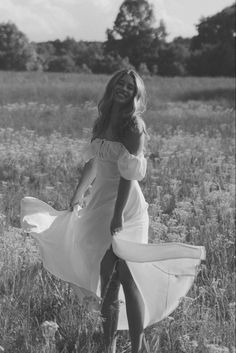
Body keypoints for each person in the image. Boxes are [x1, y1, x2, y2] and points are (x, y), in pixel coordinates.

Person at [21, 69, 205, 353]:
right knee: (107, 281)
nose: (123, 88)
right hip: (100, 203)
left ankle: (137, 346)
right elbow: (94, 161)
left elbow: (128, 177)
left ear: (136, 94)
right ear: (112, 86)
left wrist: (118, 216)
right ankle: (109, 345)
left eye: (130, 86)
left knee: (127, 277)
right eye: (120, 82)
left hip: (126, 207)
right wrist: (78, 194)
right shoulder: (103, 120)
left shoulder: (134, 126)